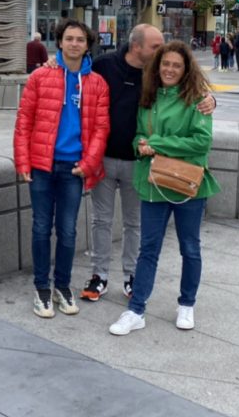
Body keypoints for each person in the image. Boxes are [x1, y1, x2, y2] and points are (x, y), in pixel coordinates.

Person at [79, 25, 216, 303]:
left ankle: (132, 276)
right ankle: (99, 275)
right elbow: (74, 79)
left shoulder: (154, 74)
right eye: (156, 47)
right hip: (104, 158)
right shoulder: (104, 65)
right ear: (136, 46)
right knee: (100, 221)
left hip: (140, 164)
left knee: (134, 224)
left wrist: (213, 100)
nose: (161, 53)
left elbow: (189, 90)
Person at [109, 40, 220, 336]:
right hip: (154, 184)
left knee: (190, 248)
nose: (170, 69)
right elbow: (137, 137)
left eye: (177, 65)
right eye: (166, 64)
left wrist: (156, 144)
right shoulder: (148, 97)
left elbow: (201, 142)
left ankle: (186, 303)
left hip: (187, 186)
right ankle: (136, 310)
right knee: (148, 249)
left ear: (186, 70)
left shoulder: (197, 98)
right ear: (157, 67)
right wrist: (140, 145)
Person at [14, 18, 110, 319]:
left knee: (68, 231)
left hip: (74, 169)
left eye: (80, 39)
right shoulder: (40, 77)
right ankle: (41, 287)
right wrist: (23, 161)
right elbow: (24, 122)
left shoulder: (96, 83)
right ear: (60, 42)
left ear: (87, 44)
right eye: (69, 38)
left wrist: (88, 163)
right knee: (41, 227)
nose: (74, 44)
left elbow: (100, 129)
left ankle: (63, 285)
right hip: (42, 165)